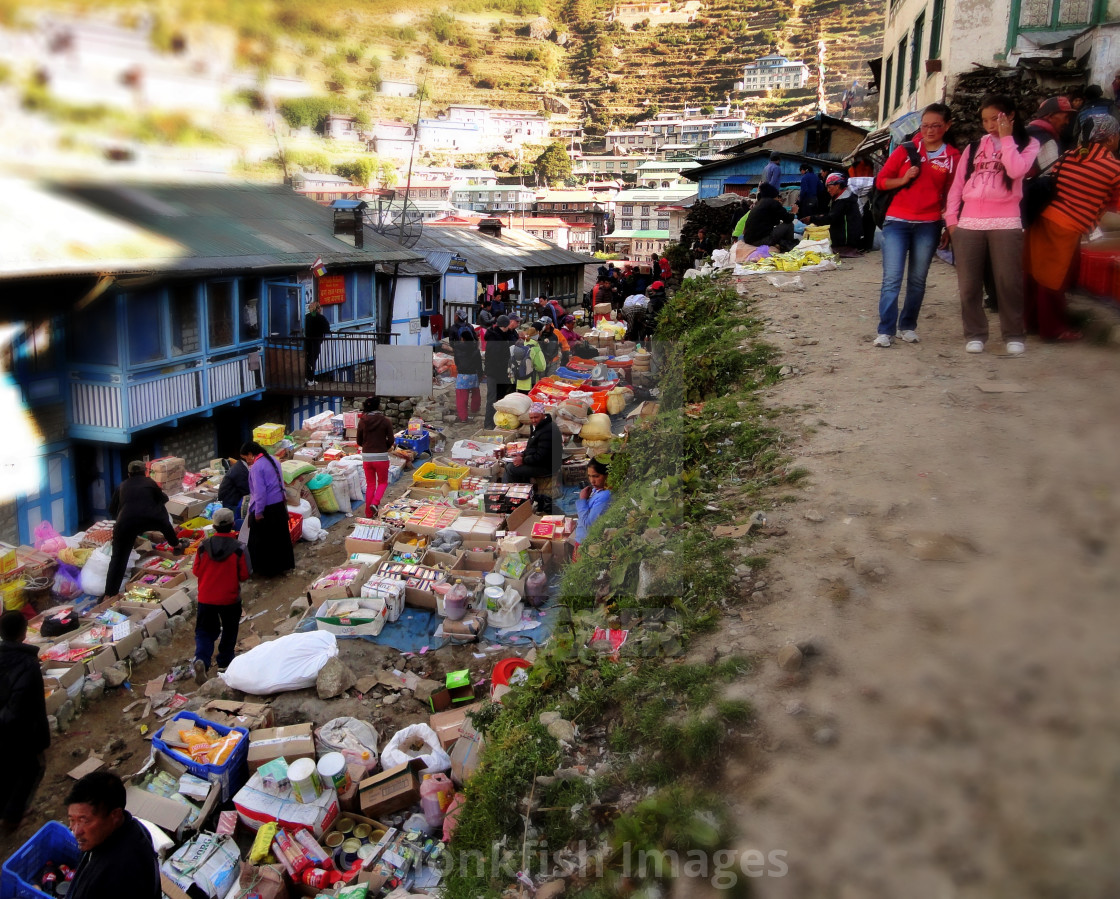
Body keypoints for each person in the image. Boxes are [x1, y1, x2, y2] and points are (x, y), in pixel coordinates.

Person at [945, 93, 1040, 355]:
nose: (988, 125)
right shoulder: (974, 147)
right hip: (969, 223)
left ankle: (1013, 334)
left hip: (1006, 221)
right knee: (969, 285)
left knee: (1008, 282)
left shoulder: (1028, 144)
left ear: (1009, 116)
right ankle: (975, 333)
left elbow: (1016, 171)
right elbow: (957, 186)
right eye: (984, 120)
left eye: (994, 119)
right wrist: (952, 220)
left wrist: (1007, 138)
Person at [872, 102, 961, 347]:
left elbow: (952, 195)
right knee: (892, 278)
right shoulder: (905, 150)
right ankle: (885, 330)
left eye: (936, 126)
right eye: (925, 126)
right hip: (897, 222)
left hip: (929, 224)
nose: (930, 131)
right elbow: (881, 182)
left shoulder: (953, 157)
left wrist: (947, 227)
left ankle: (908, 326)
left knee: (918, 280)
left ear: (947, 126)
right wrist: (904, 179)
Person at [1025, 114, 1120, 342]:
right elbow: (1115, 204)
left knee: (1034, 275)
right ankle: (1053, 330)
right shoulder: (1114, 167)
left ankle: (1031, 323)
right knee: (1054, 281)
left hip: (1042, 221)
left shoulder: (1070, 155)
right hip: (1066, 227)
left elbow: (1054, 182)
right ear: (1109, 139)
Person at [67, 771, 160, 899]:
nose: (75, 831)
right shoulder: (130, 826)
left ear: (115, 815)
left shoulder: (119, 875)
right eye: (72, 820)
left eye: (84, 821)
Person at [0, 611, 49, 833]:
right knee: (31, 770)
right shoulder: (27, 663)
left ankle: (10, 811)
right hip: (20, 731)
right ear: (23, 633)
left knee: (10, 771)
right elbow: (23, 704)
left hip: (8, 727)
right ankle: (12, 817)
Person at [105, 460, 184, 599]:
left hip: (126, 524)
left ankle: (109, 594)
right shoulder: (150, 483)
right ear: (145, 472)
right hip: (151, 520)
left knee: (118, 558)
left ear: (129, 474)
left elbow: (112, 509)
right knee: (164, 521)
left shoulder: (122, 486)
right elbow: (164, 499)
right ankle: (176, 544)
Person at [190, 508, 249, 685]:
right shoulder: (239, 548)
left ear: (214, 526)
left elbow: (196, 571)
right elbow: (245, 575)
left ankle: (202, 659)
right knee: (230, 629)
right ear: (232, 525)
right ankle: (224, 662)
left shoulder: (203, 547)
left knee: (204, 630)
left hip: (206, 597)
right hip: (229, 599)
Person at [239, 441, 295, 576]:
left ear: (251, 454)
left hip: (267, 509)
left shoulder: (257, 467)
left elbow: (260, 492)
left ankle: (268, 571)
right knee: (280, 538)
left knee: (263, 541)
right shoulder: (273, 460)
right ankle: (284, 566)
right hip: (279, 506)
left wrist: (258, 512)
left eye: (246, 458)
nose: (247, 461)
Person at [504, 403, 562, 485]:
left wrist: (523, 460)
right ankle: (511, 489)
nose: (533, 420)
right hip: (538, 462)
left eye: (536, 417)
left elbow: (542, 457)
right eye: (531, 418)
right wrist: (522, 454)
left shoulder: (548, 430)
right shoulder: (536, 426)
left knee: (511, 468)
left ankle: (518, 492)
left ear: (542, 415)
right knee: (510, 463)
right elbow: (531, 446)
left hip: (547, 466)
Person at [357, 396, 395, 516]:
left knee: (371, 484)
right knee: (383, 482)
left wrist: (367, 446)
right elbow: (391, 439)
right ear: (379, 406)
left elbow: (359, 441)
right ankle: (375, 502)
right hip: (381, 457)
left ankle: (368, 513)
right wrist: (385, 446)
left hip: (367, 457)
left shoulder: (362, 421)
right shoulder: (385, 421)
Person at [809, 173, 863, 253]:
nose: (828, 190)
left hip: (847, 242)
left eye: (830, 187)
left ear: (838, 185)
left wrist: (812, 219)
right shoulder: (842, 198)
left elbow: (831, 218)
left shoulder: (844, 201)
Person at [571, 457, 612, 560]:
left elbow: (588, 525)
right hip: (583, 541)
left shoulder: (604, 496)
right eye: (589, 476)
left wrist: (583, 499)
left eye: (596, 476)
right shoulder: (597, 491)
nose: (592, 481)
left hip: (586, 544)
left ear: (607, 475)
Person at [483, 314, 517, 429]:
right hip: (495, 374)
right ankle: (488, 424)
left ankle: (498, 421)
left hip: (501, 373)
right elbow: (495, 359)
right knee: (492, 399)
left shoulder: (502, 335)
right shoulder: (495, 339)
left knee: (501, 398)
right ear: (505, 326)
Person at [448, 310, 482, 422]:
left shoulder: (457, 347)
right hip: (473, 374)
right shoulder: (475, 349)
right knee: (476, 392)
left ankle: (463, 417)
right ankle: (475, 409)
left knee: (462, 397)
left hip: (462, 375)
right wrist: (480, 374)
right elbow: (479, 364)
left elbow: (456, 361)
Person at [737, 183, 795, 249]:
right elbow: (788, 219)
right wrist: (793, 212)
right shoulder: (772, 203)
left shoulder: (760, 204)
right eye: (777, 197)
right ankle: (789, 246)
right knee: (789, 224)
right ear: (774, 195)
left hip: (749, 240)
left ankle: (783, 244)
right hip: (760, 241)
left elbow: (775, 222)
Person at [1027, 96, 1074, 171]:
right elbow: (1052, 174)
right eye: (1066, 117)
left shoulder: (1031, 131)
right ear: (1050, 116)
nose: (1067, 122)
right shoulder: (1045, 139)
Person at [303, 301, 331, 387]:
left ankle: (307, 378)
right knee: (313, 360)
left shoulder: (306, 317)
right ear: (318, 309)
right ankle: (311, 379)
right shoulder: (320, 318)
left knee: (308, 360)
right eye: (320, 308)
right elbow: (327, 329)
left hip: (307, 341)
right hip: (316, 341)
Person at [511, 325, 546, 392]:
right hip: (530, 382)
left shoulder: (520, 345)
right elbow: (541, 367)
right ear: (537, 336)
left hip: (518, 381)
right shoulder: (536, 349)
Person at [218, 458, 250, 528]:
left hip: (231, 498)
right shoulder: (240, 470)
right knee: (232, 522)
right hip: (231, 500)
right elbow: (246, 490)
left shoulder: (241, 466)